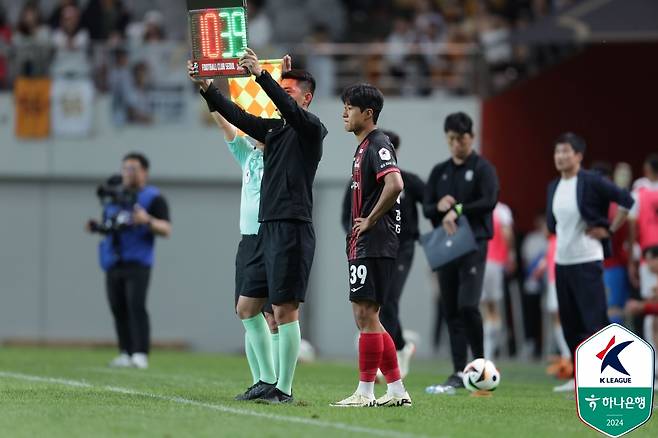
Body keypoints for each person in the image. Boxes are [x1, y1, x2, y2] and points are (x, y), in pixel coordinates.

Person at [189, 48, 327, 404]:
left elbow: (292, 110)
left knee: (284, 311)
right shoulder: (274, 130)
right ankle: (265, 380)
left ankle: (284, 388)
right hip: (265, 229)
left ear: (307, 98)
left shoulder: (312, 129)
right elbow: (236, 115)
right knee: (246, 308)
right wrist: (207, 89)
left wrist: (262, 77)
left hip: (292, 227)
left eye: (291, 89)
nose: (284, 93)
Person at [331, 83, 411, 408]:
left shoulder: (378, 143)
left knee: (365, 314)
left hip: (374, 243)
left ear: (368, 113)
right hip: (367, 243)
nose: (344, 113)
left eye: (350, 107)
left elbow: (395, 183)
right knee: (371, 318)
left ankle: (365, 393)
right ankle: (396, 390)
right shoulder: (363, 146)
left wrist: (371, 220)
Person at [546, 133, 633, 392]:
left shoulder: (591, 182)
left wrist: (609, 229)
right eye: (557, 152)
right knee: (570, 323)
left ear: (579, 156)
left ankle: (609, 377)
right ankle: (578, 377)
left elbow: (627, 201)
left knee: (593, 322)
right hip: (562, 263)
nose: (560, 157)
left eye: (566, 152)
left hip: (587, 261)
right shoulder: (553, 186)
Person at [423, 112, 499, 392]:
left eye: (462, 138)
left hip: (474, 244)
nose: (457, 144)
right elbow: (428, 208)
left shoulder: (483, 169)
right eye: (452, 139)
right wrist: (440, 208)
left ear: (472, 137)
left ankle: (481, 366)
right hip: (447, 247)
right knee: (451, 309)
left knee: (468, 305)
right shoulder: (439, 171)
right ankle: (458, 371)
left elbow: (489, 201)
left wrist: (456, 209)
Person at [340, 130, 424, 379]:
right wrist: (357, 237)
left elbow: (432, 200)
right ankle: (395, 368)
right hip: (370, 247)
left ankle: (394, 357)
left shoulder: (406, 180)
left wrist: (449, 209)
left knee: (384, 303)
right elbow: (348, 213)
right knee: (371, 309)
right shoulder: (358, 180)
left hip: (401, 248)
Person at [86, 153, 172, 369]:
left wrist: (147, 220)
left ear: (144, 172)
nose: (127, 173)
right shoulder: (115, 197)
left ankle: (140, 353)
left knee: (136, 306)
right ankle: (125, 351)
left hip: (138, 261)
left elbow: (166, 229)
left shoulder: (153, 198)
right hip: (113, 260)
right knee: (118, 307)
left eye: (133, 168)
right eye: (125, 168)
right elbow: (110, 225)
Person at [627, 154, 658, 374]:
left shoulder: (640, 192)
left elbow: (632, 225)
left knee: (651, 310)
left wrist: (631, 256)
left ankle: (654, 370)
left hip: (650, 253)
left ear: (647, 169)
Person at [481, 202, 515, 360]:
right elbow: (507, 234)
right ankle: (490, 350)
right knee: (492, 307)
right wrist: (511, 255)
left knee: (486, 307)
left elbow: (506, 234)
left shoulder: (499, 210)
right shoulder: (502, 210)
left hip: (486, 261)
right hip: (492, 262)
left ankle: (489, 350)